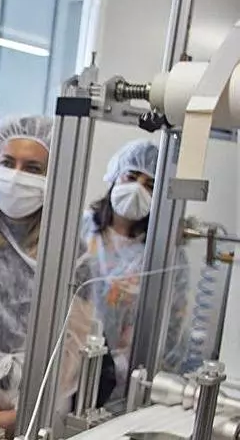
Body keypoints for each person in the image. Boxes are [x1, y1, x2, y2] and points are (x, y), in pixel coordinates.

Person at [0, 116, 103, 436]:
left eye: (33, 168)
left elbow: (73, 344)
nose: (16, 176)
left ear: (53, 178)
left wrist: (26, 408)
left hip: (42, 405)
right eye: (8, 163)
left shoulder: (70, 250)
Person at [80, 139, 189, 397]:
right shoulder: (81, 229)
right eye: (131, 177)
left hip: (128, 375)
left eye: (150, 185)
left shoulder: (164, 253)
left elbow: (172, 324)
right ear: (115, 176)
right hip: (74, 357)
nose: (138, 189)